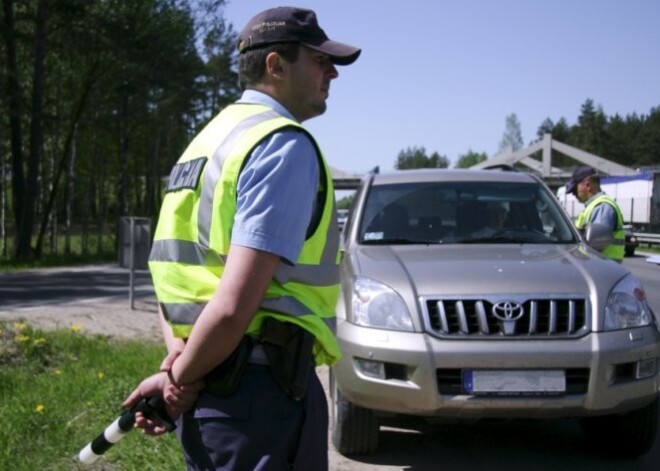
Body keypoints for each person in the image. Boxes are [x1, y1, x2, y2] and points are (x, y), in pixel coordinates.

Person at [122, 6, 360, 470]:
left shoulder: (205, 144)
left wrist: (177, 368)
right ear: (276, 65)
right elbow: (231, 305)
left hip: (212, 389)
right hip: (260, 399)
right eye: (319, 59)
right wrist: (176, 385)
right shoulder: (279, 145)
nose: (332, 72)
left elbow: (175, 278)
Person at [565, 166, 625, 262]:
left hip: (602, 268)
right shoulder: (593, 206)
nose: (573, 194)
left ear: (587, 185)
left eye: (574, 189)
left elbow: (596, 244)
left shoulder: (601, 207)